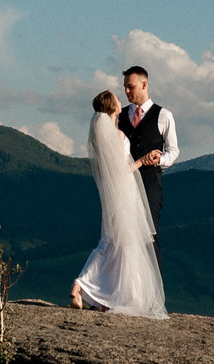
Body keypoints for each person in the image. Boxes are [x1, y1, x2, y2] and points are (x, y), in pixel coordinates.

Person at [70, 90, 167, 317]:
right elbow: (123, 171)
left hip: (109, 194)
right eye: (116, 99)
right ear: (112, 107)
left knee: (111, 242)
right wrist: (142, 160)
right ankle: (82, 285)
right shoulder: (119, 136)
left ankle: (105, 296)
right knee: (121, 243)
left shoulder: (98, 136)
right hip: (124, 193)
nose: (120, 100)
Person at [117, 64, 177, 252]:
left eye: (131, 86)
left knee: (149, 237)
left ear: (144, 85)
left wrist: (158, 160)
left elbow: (173, 150)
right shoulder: (120, 116)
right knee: (124, 235)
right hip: (125, 183)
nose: (126, 91)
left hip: (150, 182)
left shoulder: (164, 115)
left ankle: (154, 281)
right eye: (125, 86)